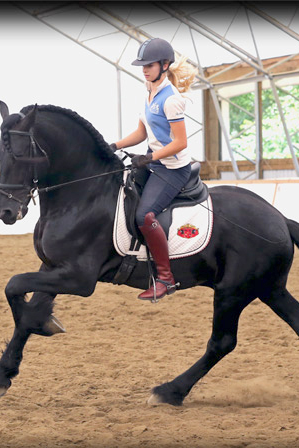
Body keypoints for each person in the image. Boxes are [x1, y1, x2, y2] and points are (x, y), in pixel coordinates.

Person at [110, 38, 196, 302]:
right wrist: (112, 145)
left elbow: (180, 142)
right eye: (142, 65)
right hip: (154, 160)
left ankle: (165, 279)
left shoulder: (171, 100)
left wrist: (151, 157)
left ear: (164, 65)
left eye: (149, 65)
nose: (144, 69)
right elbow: (140, 133)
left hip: (173, 168)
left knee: (145, 216)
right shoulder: (149, 92)